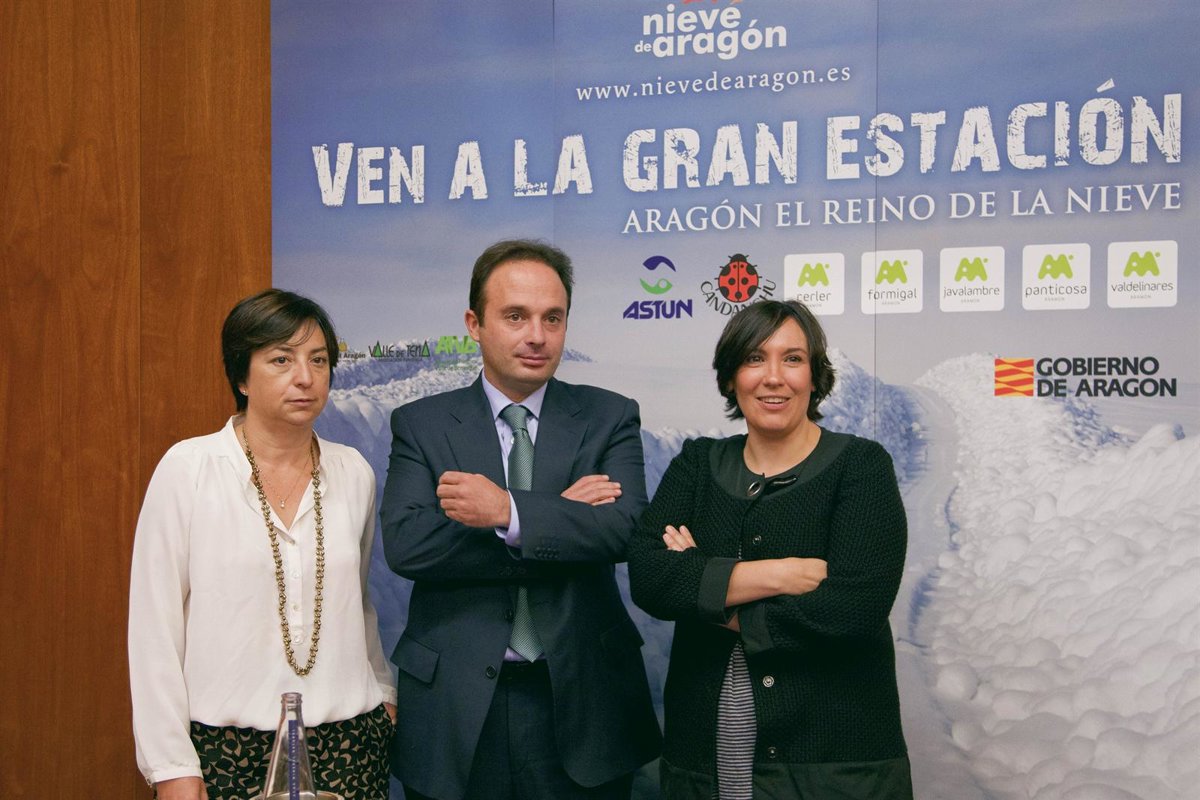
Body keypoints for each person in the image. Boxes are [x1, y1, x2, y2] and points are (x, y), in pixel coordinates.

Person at [380, 239, 661, 800]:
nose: (537, 335)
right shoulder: (422, 424)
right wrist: (558, 521)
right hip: (455, 707)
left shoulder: (609, 416)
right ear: (474, 324)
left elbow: (625, 529)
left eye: (552, 318)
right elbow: (409, 545)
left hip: (586, 705)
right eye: (515, 316)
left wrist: (505, 511)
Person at [627, 299, 913, 800]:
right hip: (706, 756)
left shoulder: (861, 467)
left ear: (815, 376)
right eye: (754, 358)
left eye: (793, 359)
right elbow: (651, 577)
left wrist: (704, 584)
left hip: (833, 766)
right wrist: (778, 575)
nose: (774, 377)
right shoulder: (696, 464)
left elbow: (854, 608)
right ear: (730, 377)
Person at [128, 289, 397, 800]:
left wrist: (382, 691)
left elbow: (355, 602)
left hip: (349, 745)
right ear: (242, 377)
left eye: (319, 360)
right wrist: (170, 764)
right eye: (281, 359)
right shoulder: (189, 469)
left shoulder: (353, 471)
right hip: (225, 751)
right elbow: (154, 629)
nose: (305, 377)